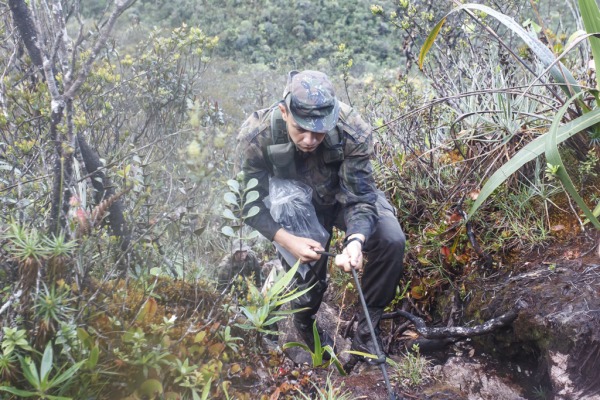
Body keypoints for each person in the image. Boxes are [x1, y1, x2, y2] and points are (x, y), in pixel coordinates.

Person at [236, 70, 405, 366]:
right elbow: (248, 205)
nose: (310, 139)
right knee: (308, 280)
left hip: (340, 198)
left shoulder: (353, 130)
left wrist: (355, 240)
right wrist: (288, 242)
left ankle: (367, 332)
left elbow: (361, 197)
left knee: (391, 239)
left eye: (320, 131)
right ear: (284, 111)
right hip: (297, 209)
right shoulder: (257, 135)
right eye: (302, 129)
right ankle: (305, 324)